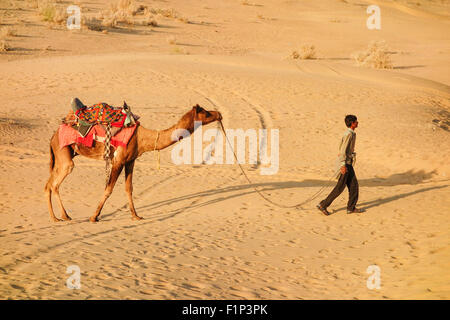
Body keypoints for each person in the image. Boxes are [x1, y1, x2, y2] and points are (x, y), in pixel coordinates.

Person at [317, 115, 365, 216]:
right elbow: (343, 150)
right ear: (352, 123)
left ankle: (351, 208)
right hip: (345, 164)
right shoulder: (348, 134)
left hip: (348, 163)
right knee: (339, 188)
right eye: (356, 121)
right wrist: (343, 165)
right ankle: (323, 205)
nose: (358, 123)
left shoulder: (352, 134)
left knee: (354, 186)